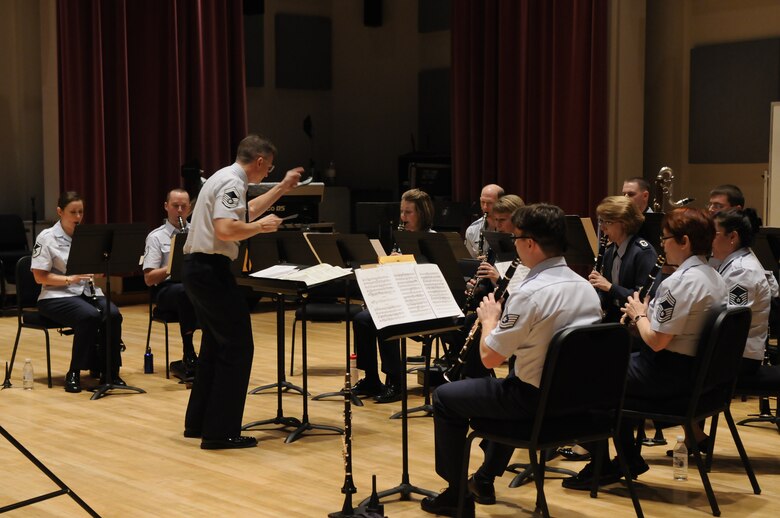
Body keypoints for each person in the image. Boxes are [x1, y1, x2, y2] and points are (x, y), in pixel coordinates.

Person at [420, 203, 602, 516]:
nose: (514, 245)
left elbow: (490, 358)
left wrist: (491, 319)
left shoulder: (530, 293)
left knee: (446, 397)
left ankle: (456, 495)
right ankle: (484, 478)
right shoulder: (586, 288)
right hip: (577, 405)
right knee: (497, 391)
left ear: (530, 243)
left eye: (516, 238)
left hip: (534, 404)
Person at [562, 207, 727, 490]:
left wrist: (639, 314)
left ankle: (603, 463)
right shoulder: (714, 277)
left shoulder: (680, 282)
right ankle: (626, 459)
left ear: (684, 241)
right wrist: (649, 312)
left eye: (665, 239)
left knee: (579, 377)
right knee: (606, 367)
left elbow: (656, 340)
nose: (661, 245)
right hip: (694, 374)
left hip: (666, 374)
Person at [181, 134, 302, 450]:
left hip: (196, 268)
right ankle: (220, 432)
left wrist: (281, 189)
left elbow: (244, 211)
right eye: (269, 170)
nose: (268, 174)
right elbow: (226, 228)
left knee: (215, 346)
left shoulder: (223, 177)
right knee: (237, 347)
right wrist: (261, 228)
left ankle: (199, 423)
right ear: (259, 161)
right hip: (210, 270)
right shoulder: (233, 182)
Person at [31, 191, 125, 393]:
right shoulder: (47, 237)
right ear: (60, 212)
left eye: (81, 212)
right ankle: (73, 372)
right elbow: (39, 276)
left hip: (86, 292)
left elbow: (96, 269)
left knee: (113, 314)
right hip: (56, 295)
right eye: (72, 212)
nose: (78, 217)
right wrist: (68, 279)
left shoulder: (88, 236)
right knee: (89, 316)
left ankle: (110, 372)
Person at [352, 188, 435, 403]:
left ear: (422, 214)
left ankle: (395, 382)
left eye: (409, 213)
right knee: (361, 319)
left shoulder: (433, 240)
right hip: (399, 299)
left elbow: (435, 278)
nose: (403, 217)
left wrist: (409, 264)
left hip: (423, 304)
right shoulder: (400, 237)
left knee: (385, 319)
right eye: (402, 212)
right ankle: (371, 379)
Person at [142, 188, 199, 380]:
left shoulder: (198, 232)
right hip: (166, 290)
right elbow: (149, 278)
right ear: (166, 207)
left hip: (193, 288)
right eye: (175, 206)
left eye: (184, 206)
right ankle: (188, 353)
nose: (180, 210)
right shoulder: (156, 237)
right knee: (184, 292)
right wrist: (172, 267)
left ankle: (212, 354)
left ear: (190, 208)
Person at [588, 196, 658, 323]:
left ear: (625, 223)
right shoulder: (609, 252)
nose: (602, 227)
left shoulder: (643, 252)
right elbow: (605, 295)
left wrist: (610, 287)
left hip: (634, 322)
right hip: (613, 318)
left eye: (607, 222)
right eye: (601, 221)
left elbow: (645, 297)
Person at [464, 184, 504, 258]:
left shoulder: (511, 227)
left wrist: (491, 260)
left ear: (500, 202)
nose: (485, 207)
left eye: (489, 203)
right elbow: (469, 260)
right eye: (482, 202)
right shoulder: (472, 230)